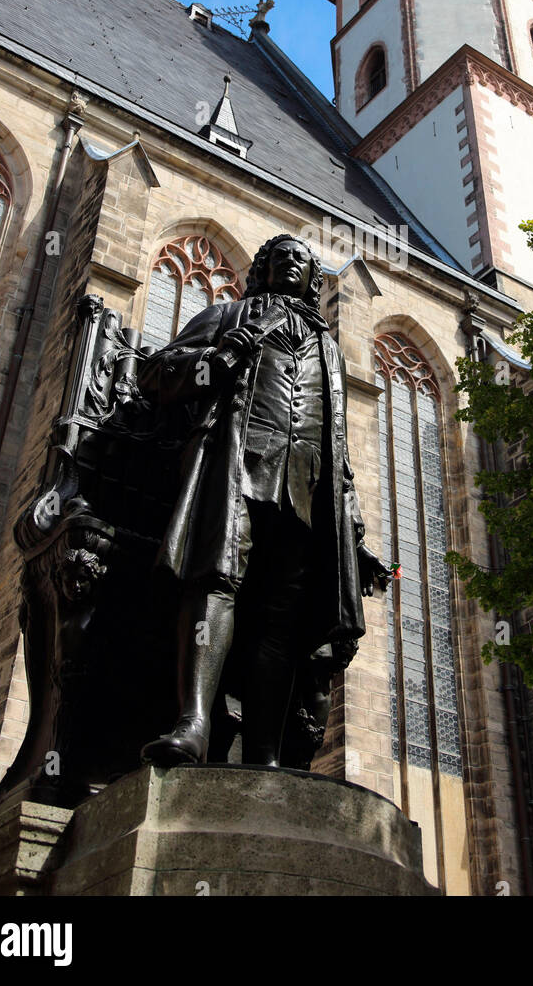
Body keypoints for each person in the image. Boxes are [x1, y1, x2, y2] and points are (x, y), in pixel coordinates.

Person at [139, 234, 388, 768]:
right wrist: (222, 356)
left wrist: (356, 533)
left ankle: (265, 754)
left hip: (307, 488)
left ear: (314, 278)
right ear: (263, 271)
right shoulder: (228, 315)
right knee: (216, 580)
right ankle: (194, 724)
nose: (291, 263)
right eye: (279, 257)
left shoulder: (329, 349)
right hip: (236, 468)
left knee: (285, 619)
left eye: (301, 258)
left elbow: (340, 450)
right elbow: (155, 374)